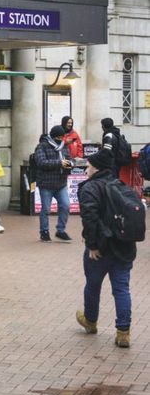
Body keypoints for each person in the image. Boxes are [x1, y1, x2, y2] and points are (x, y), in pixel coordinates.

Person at [76, 148, 136, 348]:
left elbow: (90, 217)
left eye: (89, 165)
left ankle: (90, 321)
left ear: (97, 167)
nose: (86, 169)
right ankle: (123, 332)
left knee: (93, 286)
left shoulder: (90, 188)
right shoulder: (120, 185)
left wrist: (92, 245)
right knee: (121, 289)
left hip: (101, 248)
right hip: (123, 246)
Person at [34, 124, 73, 242]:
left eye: (63, 137)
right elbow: (41, 162)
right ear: (54, 136)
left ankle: (60, 230)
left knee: (65, 206)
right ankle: (44, 231)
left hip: (61, 183)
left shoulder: (64, 147)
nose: (62, 139)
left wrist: (70, 164)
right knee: (46, 209)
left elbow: (69, 159)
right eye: (60, 137)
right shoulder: (42, 146)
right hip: (46, 183)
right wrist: (59, 163)